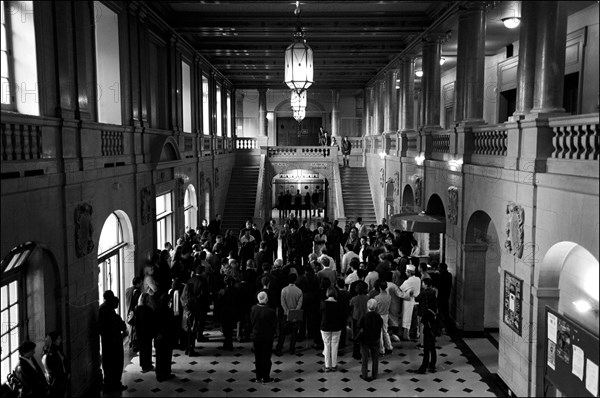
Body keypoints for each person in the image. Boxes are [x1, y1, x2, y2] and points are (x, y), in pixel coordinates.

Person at [98, 290, 127, 391]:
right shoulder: (108, 310)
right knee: (116, 363)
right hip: (114, 341)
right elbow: (119, 324)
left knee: (108, 363)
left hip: (107, 341)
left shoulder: (102, 308)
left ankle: (109, 383)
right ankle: (115, 384)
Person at [251, 291, 278, 384]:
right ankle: (266, 377)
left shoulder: (253, 309)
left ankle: (258, 377)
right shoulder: (270, 311)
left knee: (257, 357)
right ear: (266, 299)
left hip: (256, 336)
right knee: (266, 358)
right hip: (267, 337)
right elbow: (274, 324)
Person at [414, 278, 438, 373]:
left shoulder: (424, 293)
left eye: (423, 283)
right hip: (433, 323)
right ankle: (432, 364)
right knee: (432, 346)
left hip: (427, 324)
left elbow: (417, 298)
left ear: (426, 284)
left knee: (426, 347)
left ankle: (424, 367)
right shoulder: (433, 293)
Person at [275, 273, 303, 356]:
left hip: (285, 314)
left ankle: (279, 348)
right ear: (295, 280)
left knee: (282, 332)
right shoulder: (299, 291)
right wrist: (294, 312)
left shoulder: (284, 290)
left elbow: (282, 303)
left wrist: (287, 312)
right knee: (294, 332)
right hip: (295, 314)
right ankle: (292, 349)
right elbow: (299, 304)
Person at [320, 287, 345, 372]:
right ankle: (334, 365)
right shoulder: (340, 303)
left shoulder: (323, 303)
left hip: (325, 326)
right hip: (336, 327)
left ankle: (327, 366)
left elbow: (320, 313)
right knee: (335, 346)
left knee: (326, 345)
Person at [358, 299, 383, 382]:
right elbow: (381, 326)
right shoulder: (378, 316)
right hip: (375, 338)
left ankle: (364, 374)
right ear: (376, 307)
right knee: (375, 357)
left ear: (367, 306)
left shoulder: (364, 316)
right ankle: (374, 374)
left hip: (365, 340)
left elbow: (359, 326)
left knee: (364, 357)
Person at [154, 293, 175, 382]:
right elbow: (170, 325)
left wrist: (157, 334)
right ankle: (166, 373)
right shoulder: (169, 311)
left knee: (159, 356)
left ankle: (159, 374)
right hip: (167, 336)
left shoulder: (156, 310)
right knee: (167, 356)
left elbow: (154, 324)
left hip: (158, 337)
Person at [41, 332, 69, 398]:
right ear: (53, 340)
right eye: (58, 339)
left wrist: (67, 373)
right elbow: (50, 369)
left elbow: (65, 361)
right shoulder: (49, 354)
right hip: (56, 381)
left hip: (62, 379)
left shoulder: (57, 349)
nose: (61, 340)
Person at [135, 292, 156, 372]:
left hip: (140, 332)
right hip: (147, 332)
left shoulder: (137, 309)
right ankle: (148, 364)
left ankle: (143, 364)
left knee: (142, 349)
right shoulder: (149, 310)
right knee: (148, 349)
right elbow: (152, 323)